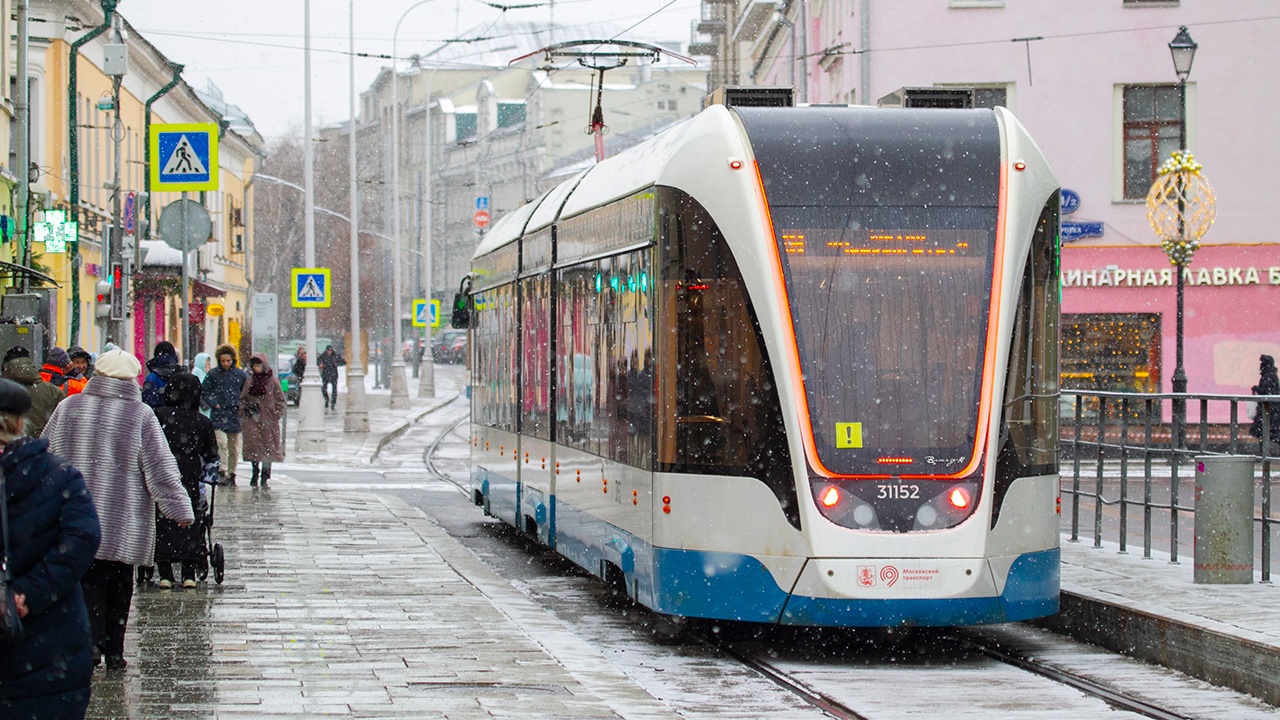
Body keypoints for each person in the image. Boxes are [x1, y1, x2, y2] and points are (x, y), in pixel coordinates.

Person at [42, 348, 193, 671]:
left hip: (75, 517)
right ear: (132, 378)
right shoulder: (139, 414)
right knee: (120, 585)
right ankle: (114, 650)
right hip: (123, 519)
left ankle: (89, 643)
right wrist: (180, 510)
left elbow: (45, 456)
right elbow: (160, 468)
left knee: (85, 582)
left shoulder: (68, 408)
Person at [0, 378, 101, 718]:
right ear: (19, 422)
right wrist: (27, 596)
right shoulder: (59, 475)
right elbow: (82, 539)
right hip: (52, 644)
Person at [153, 373, 219, 589]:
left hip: (162, 473)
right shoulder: (202, 421)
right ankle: (189, 572)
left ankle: (165, 573)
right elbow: (211, 455)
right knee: (189, 517)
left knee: (163, 518)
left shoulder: (159, 416)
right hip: (190, 475)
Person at [201, 344, 247, 485]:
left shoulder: (240, 375)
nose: (226, 363)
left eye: (228, 360)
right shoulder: (214, 374)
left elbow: (246, 393)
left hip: (234, 415)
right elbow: (205, 391)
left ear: (233, 359)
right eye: (223, 361)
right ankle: (222, 471)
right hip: (219, 414)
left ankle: (232, 473)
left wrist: (240, 405)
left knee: (233, 446)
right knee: (221, 443)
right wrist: (214, 403)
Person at [240, 353, 286, 487]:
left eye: (258, 365)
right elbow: (243, 398)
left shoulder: (272, 381)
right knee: (254, 447)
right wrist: (245, 411)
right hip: (252, 420)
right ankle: (255, 472)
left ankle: (265, 475)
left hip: (268, 421)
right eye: (254, 366)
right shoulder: (250, 381)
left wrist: (274, 414)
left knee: (268, 448)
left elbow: (280, 401)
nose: (256, 368)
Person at [2, 347, 65, 438]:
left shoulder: (4, 391)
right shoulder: (53, 391)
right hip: (44, 445)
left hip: (9, 446)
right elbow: (63, 424)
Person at [1250, 354, 1280, 444]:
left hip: (1269, 409)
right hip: (1270, 409)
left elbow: (1266, 391)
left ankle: (1264, 454)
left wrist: (1257, 389)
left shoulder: (1268, 376)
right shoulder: (1270, 375)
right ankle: (1264, 453)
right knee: (1269, 433)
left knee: (1266, 432)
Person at [142, 341, 181, 409]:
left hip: (159, 418)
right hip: (182, 418)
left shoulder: (152, 378)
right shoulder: (184, 375)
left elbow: (148, 406)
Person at [318, 345, 345, 410]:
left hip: (333, 374)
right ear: (326, 350)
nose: (329, 352)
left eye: (330, 350)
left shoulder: (335, 356)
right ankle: (326, 400)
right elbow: (318, 361)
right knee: (324, 389)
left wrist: (337, 363)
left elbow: (343, 362)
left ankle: (333, 403)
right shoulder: (323, 356)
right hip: (325, 374)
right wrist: (320, 364)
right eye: (328, 350)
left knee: (334, 390)